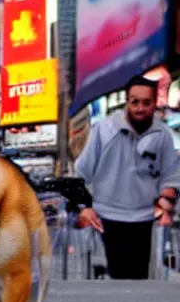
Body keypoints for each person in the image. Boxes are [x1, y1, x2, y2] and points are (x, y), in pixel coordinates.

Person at [75, 75, 180, 280]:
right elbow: (82, 171)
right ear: (127, 102)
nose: (140, 108)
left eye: (146, 103)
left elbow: (171, 174)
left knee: (139, 277)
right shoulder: (105, 129)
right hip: (109, 216)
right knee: (117, 276)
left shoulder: (163, 134)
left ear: (154, 103)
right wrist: (85, 207)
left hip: (144, 218)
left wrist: (167, 198)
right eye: (135, 102)